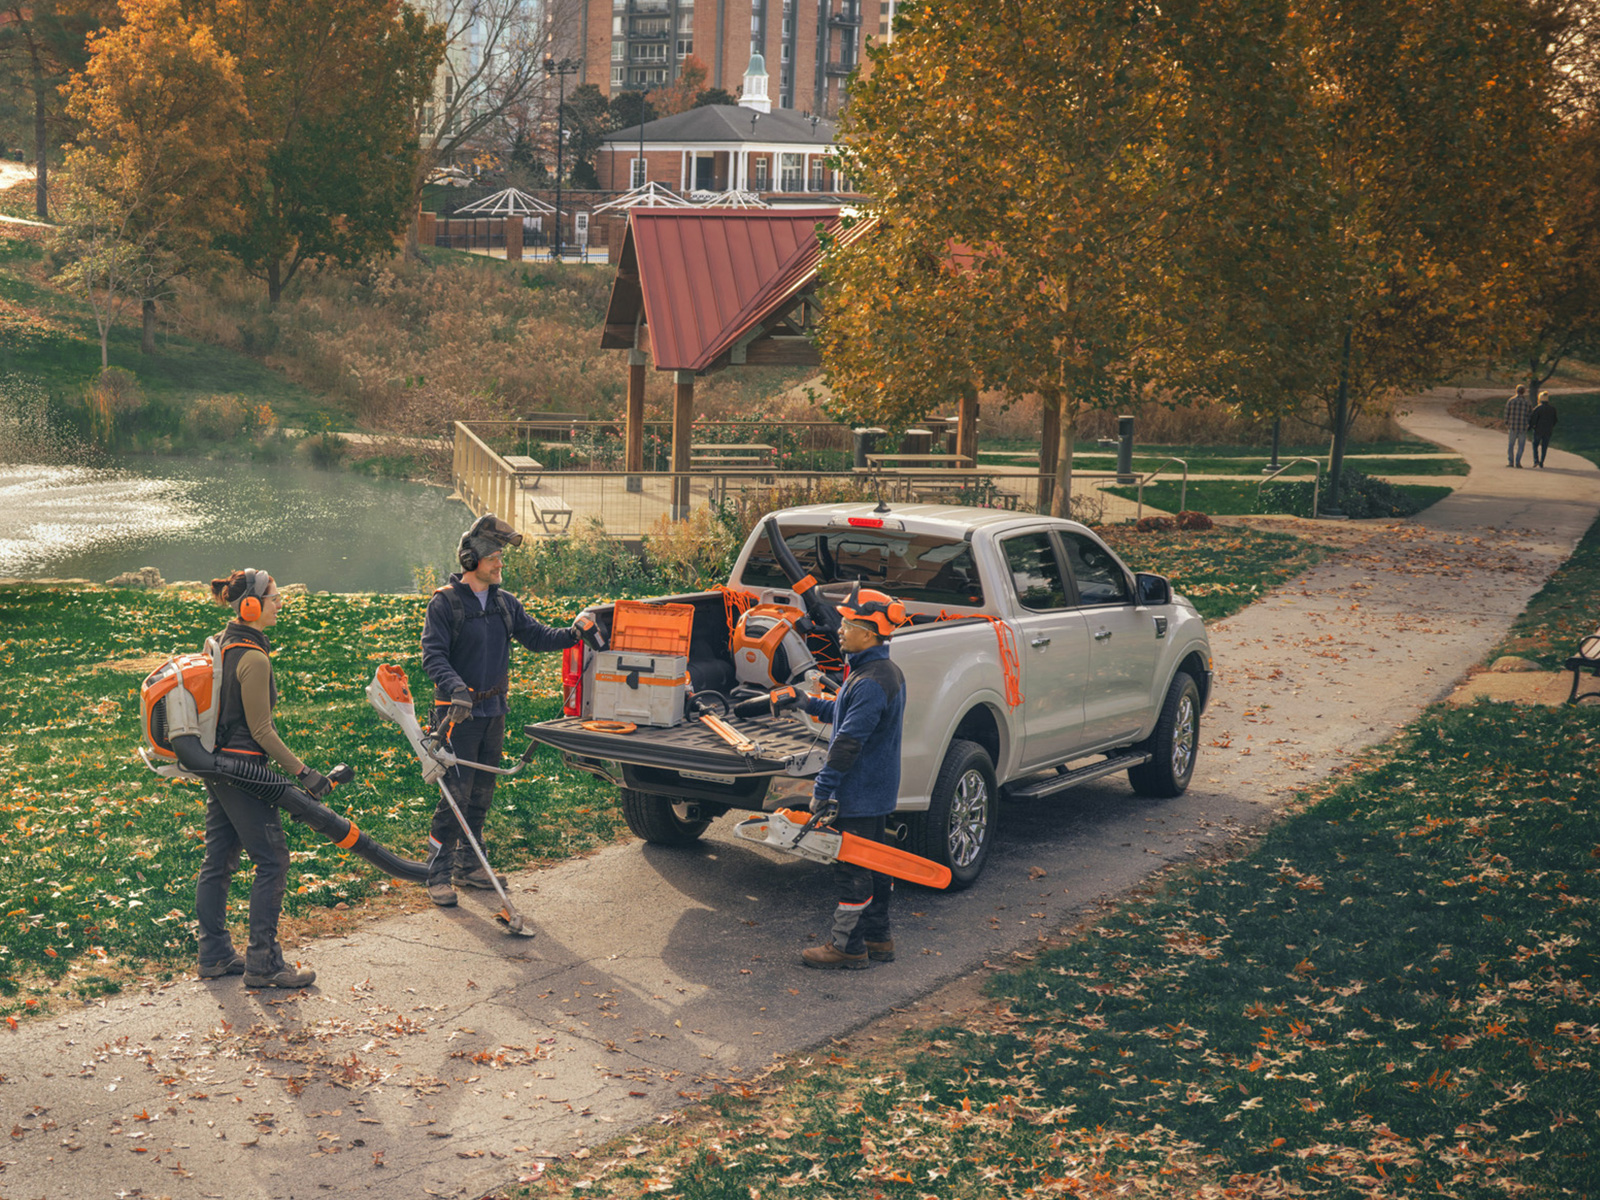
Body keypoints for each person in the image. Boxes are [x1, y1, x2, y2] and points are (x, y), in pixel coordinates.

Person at [419, 514, 596, 907]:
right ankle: (437, 872)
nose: (501, 563)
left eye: (501, 556)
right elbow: (433, 656)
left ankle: (469, 865)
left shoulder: (504, 603)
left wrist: (574, 632)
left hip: (494, 712)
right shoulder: (445, 604)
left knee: (481, 794)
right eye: (494, 556)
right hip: (457, 716)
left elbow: (536, 636)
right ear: (471, 560)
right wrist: (455, 689)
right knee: (455, 795)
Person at [197, 568, 328, 989]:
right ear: (250, 605)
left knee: (218, 861)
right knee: (271, 861)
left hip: (217, 768)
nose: (279, 602)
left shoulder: (222, 643)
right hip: (245, 773)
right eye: (273, 597)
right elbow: (262, 731)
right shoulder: (252, 657)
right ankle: (264, 963)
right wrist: (304, 773)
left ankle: (214, 954)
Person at [798, 590, 908, 970]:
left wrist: (823, 790)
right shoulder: (874, 673)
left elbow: (847, 742)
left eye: (847, 625)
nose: (839, 630)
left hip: (859, 793)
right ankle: (879, 939)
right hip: (876, 790)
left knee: (853, 871)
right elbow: (846, 712)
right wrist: (806, 702)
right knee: (875, 865)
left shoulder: (871, 680)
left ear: (870, 632)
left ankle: (847, 947)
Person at [1505, 384, 1533, 467]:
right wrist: (1528, 424)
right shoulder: (1527, 402)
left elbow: (1507, 413)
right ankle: (1518, 462)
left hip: (1513, 426)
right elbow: (1530, 414)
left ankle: (1511, 461)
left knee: (1511, 445)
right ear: (1524, 392)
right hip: (1522, 427)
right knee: (1521, 446)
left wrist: (1507, 422)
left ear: (1516, 391)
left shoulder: (1511, 401)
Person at [1529, 391, 1558, 468]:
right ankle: (1542, 461)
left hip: (1538, 430)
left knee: (1535, 445)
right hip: (1548, 430)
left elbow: (1533, 420)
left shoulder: (1537, 409)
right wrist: (1551, 426)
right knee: (1544, 447)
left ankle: (1536, 460)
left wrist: (1531, 427)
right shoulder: (1552, 409)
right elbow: (1555, 420)